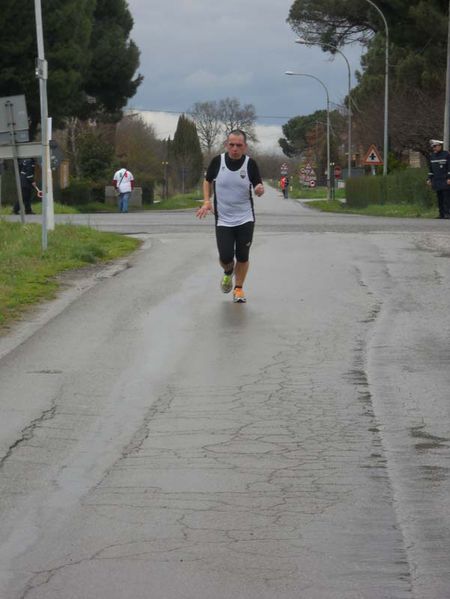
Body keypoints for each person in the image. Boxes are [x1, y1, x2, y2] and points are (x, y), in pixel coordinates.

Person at [196, 129, 264, 303]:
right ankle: (228, 272)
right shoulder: (218, 162)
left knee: (243, 256)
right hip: (223, 219)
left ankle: (239, 289)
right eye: (231, 145)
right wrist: (206, 201)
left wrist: (259, 189)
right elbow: (207, 181)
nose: (234, 148)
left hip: (245, 218)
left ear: (245, 147)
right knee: (226, 257)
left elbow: (258, 185)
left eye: (238, 145)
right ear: (227, 145)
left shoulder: (250, 164)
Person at [427, 139, 450, 219]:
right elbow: (431, 169)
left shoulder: (446, 155)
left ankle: (447, 214)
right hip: (437, 180)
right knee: (439, 198)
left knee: (446, 198)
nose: (434, 148)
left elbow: (449, 168)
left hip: (445, 180)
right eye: (433, 147)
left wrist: (449, 178)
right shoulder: (432, 156)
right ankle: (441, 214)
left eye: (435, 146)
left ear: (440, 146)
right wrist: (429, 179)